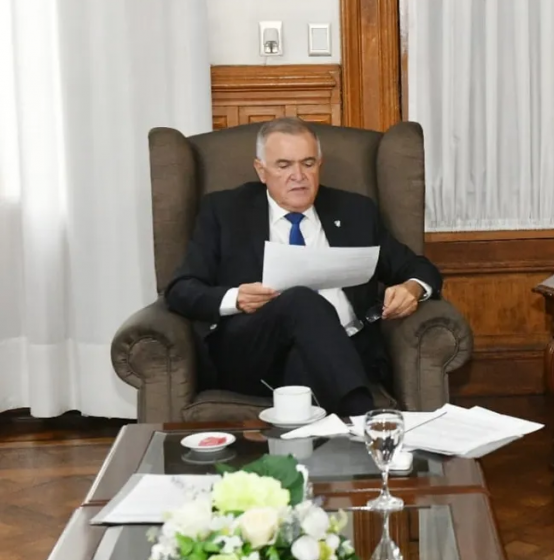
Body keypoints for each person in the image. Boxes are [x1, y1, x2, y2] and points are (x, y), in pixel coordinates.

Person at [165, 117, 442, 417]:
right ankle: (362, 418)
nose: (298, 176)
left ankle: (311, 442)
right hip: (253, 355)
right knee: (300, 299)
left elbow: (418, 268)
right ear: (261, 170)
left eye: (308, 163)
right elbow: (181, 289)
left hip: (345, 350)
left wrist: (412, 289)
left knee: (304, 359)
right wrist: (236, 298)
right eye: (284, 165)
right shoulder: (225, 211)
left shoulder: (355, 212)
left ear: (319, 165)